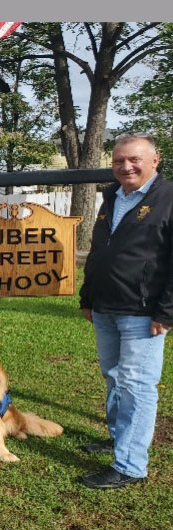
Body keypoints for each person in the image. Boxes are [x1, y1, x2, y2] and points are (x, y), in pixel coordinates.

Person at [80, 133, 172, 489]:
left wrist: (165, 312)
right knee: (115, 378)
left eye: (134, 159)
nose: (126, 166)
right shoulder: (111, 196)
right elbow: (99, 251)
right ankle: (121, 438)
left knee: (136, 386)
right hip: (105, 306)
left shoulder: (168, 198)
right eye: (119, 160)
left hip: (143, 312)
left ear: (155, 160)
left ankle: (130, 465)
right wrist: (87, 298)